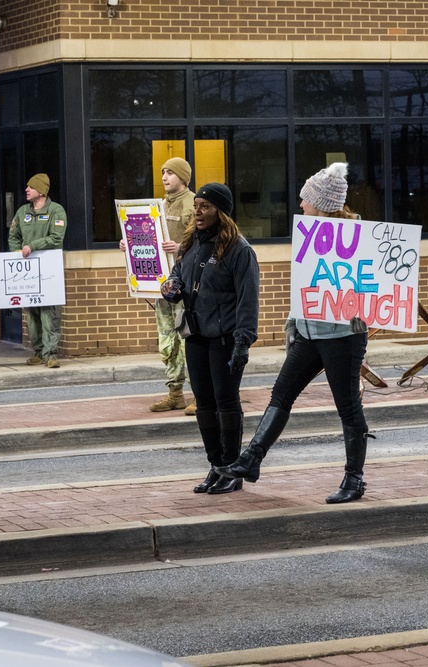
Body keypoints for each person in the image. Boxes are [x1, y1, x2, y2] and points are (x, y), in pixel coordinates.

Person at [216, 162, 372, 504]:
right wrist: (293, 322)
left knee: (347, 406)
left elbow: (371, 290)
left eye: (305, 199)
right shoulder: (310, 236)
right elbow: (306, 285)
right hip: (308, 331)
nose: (300, 205)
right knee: (281, 393)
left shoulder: (359, 240)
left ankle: (354, 479)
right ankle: (252, 459)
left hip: (342, 335)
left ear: (322, 202)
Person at [161, 183, 259, 495]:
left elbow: (249, 298)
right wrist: (172, 285)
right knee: (203, 403)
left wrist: (243, 340)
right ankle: (215, 465)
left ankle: (233, 468)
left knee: (225, 402)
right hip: (196, 334)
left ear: (221, 211)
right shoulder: (191, 243)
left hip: (226, 338)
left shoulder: (239, 249)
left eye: (205, 206)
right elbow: (179, 273)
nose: (198, 211)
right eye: (197, 205)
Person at [120, 157, 197, 416]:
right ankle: (175, 393)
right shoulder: (158, 205)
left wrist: (181, 248)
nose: (164, 177)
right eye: (163, 172)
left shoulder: (194, 205)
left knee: (189, 339)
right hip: (162, 287)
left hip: (186, 285)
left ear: (183, 178)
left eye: (170, 173)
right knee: (167, 340)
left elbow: (205, 242)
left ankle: (199, 394)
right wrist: (129, 244)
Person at [9, 173, 67, 368]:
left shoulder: (56, 211)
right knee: (31, 312)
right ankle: (38, 351)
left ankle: (50, 354)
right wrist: (17, 253)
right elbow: (14, 236)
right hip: (28, 270)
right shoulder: (22, 212)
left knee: (49, 311)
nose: (26, 190)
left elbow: (56, 238)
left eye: (30, 187)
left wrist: (33, 245)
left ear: (41, 191)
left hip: (49, 268)